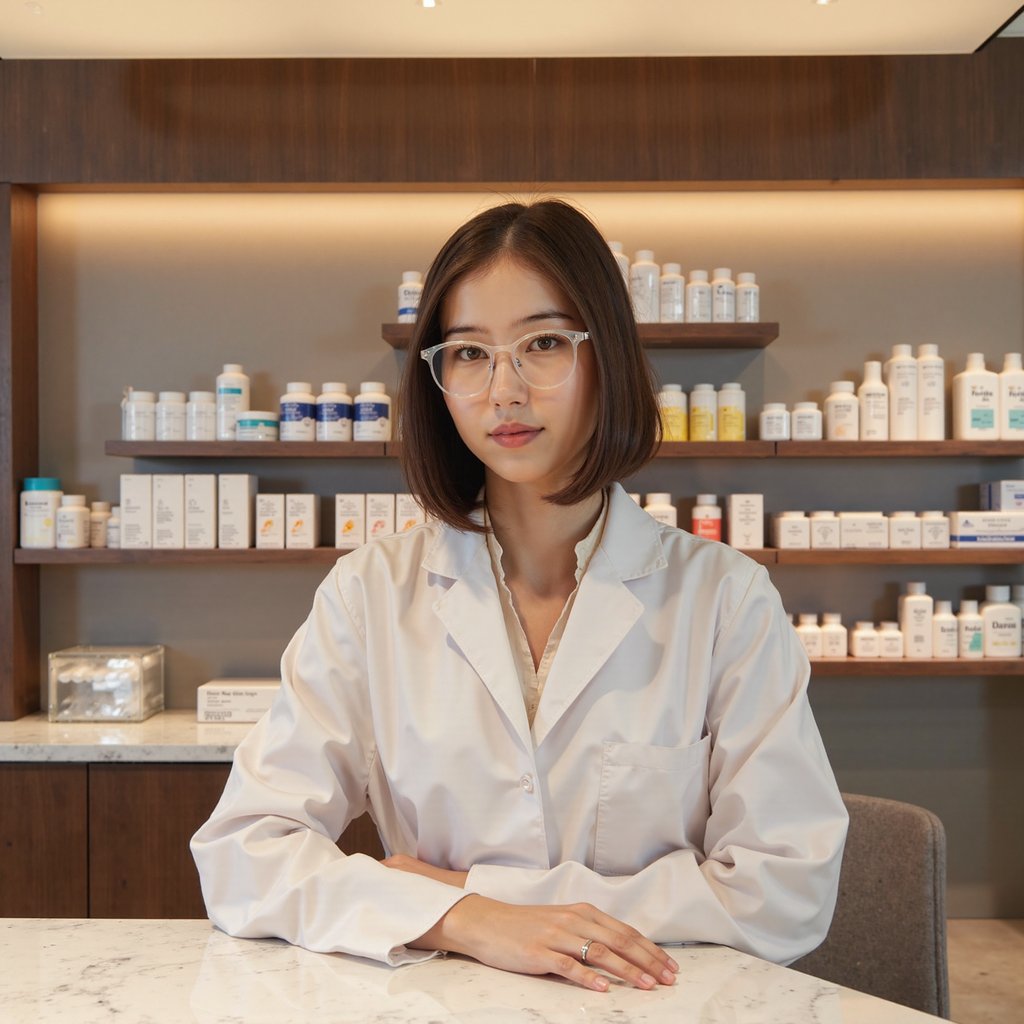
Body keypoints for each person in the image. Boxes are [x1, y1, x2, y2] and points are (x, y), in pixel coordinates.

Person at [191, 199, 848, 994]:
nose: (503, 390)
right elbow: (242, 851)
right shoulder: (371, 594)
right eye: (468, 353)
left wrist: (466, 890)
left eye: (542, 344)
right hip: (437, 1001)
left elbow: (786, 893)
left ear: (608, 357)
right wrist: (464, 921)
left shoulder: (724, 600)